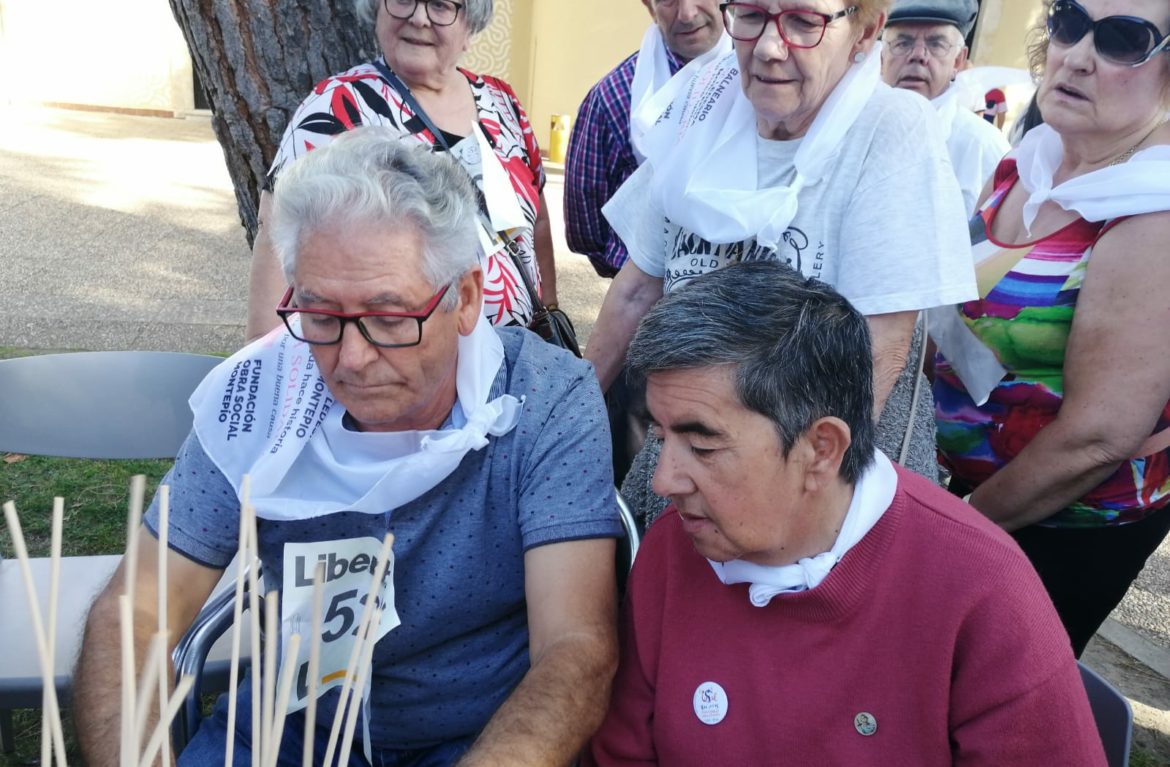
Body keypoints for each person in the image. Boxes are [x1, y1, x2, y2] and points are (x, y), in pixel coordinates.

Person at [74, 129, 620, 766]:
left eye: (390, 317)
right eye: (321, 315)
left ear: (465, 298)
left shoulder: (546, 398)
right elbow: (135, 614)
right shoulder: (261, 395)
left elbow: (576, 648)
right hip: (286, 735)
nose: (352, 358)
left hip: (476, 741)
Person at [583, 261, 1107, 766]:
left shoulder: (982, 589)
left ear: (822, 449)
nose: (662, 481)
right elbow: (625, 752)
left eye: (703, 447)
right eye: (659, 436)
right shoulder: (675, 546)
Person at [590, 0, 975, 526]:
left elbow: (880, 347)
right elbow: (636, 289)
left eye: (803, 22)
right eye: (751, 15)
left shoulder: (890, 129)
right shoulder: (701, 113)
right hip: (687, 448)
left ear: (864, 33)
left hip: (813, 471)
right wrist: (572, 416)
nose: (771, 48)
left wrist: (788, 508)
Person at [932, 0, 1170, 658]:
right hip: (964, 493)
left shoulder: (1153, 212)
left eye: (1124, 39)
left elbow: (1097, 437)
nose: (1078, 54)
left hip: (1060, 529)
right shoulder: (1031, 159)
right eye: (1069, 22)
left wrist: (956, 529)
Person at [244, 0, 556, 340]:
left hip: (521, 364)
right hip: (397, 366)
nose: (419, 18)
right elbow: (278, 235)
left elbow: (536, 221)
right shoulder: (338, 106)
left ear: (471, 23)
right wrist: (268, 368)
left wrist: (549, 315)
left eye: (440, 5)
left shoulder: (503, 104)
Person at [564, 0, 730, 484]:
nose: (686, 12)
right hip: (645, 332)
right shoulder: (612, 98)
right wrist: (653, 268)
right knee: (648, 467)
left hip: (749, 351)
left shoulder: (758, 86)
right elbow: (586, 228)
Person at [564, 0, 729, 279]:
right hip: (644, 304)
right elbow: (588, 234)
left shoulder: (769, 77)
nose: (687, 14)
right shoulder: (611, 99)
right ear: (648, 6)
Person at [880, 0, 1009, 215]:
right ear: (882, 56)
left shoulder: (983, 150)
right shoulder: (844, 130)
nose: (918, 55)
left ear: (958, 61)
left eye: (936, 44)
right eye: (903, 43)